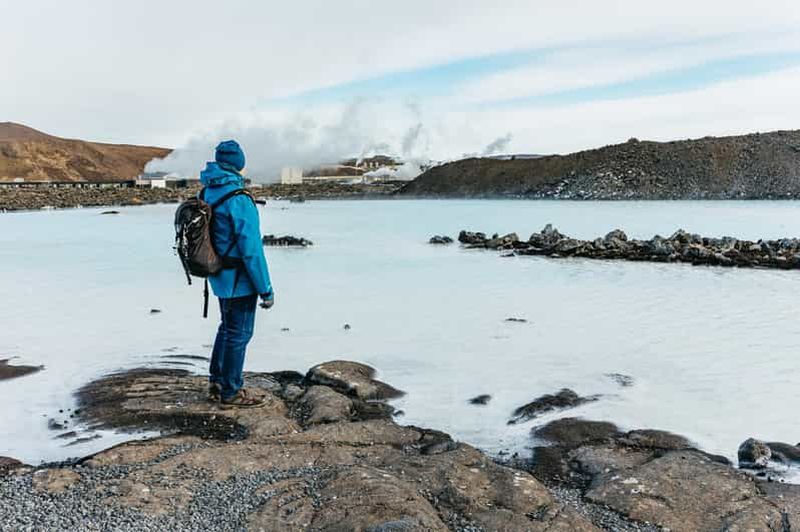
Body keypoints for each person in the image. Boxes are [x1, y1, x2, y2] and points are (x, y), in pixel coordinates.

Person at [200, 140, 274, 409]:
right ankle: (230, 392)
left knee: (227, 328)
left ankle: (217, 382)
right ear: (238, 163)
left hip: (218, 274)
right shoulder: (239, 199)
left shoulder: (207, 191)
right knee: (239, 334)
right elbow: (252, 251)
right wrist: (265, 289)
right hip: (239, 279)